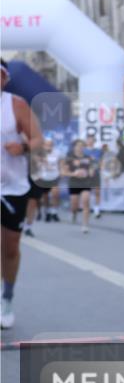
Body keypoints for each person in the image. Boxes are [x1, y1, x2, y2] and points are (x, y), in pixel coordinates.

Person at [1, 60, 43, 329]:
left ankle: (7, 298)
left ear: (4, 79)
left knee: (10, 248)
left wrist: (24, 147)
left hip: (12, 188)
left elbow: (39, 139)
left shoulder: (15, 105)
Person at [62, 139, 97, 233]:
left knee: (86, 202)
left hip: (86, 183)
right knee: (75, 205)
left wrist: (90, 172)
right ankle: (74, 213)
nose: (80, 147)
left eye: (82, 146)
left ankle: (85, 225)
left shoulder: (88, 157)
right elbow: (64, 172)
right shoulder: (69, 158)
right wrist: (74, 174)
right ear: (74, 147)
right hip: (74, 183)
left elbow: (92, 169)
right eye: (78, 145)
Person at [35, 138, 62, 222]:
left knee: (55, 194)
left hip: (54, 177)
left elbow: (60, 164)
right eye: (47, 144)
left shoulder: (57, 153)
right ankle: (45, 212)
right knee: (44, 197)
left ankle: (54, 212)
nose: (49, 146)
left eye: (50, 144)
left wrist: (61, 173)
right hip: (43, 178)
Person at [84, 134, 104, 218]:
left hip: (96, 173)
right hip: (86, 174)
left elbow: (101, 162)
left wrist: (100, 169)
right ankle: (86, 208)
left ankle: (97, 210)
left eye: (92, 140)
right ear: (86, 141)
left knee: (97, 192)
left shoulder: (98, 151)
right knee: (86, 193)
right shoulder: (83, 150)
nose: (90, 141)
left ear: (94, 141)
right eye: (88, 139)